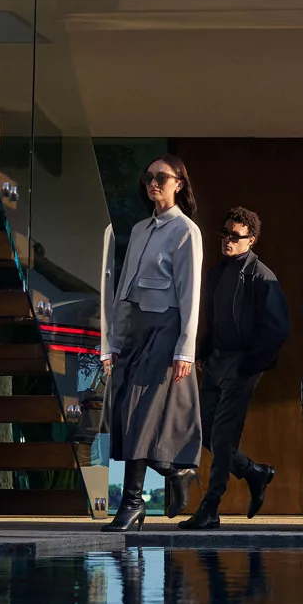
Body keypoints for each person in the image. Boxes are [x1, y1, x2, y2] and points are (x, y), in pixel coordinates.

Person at [100, 155, 205, 532]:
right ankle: (177, 470)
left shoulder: (186, 231)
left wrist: (185, 350)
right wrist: (112, 340)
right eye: (148, 177)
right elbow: (124, 290)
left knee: (140, 413)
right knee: (127, 413)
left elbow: (190, 294)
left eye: (161, 177)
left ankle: (132, 504)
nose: (153, 183)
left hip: (167, 326)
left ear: (179, 183)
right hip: (136, 330)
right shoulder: (141, 229)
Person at [177, 206, 290, 530]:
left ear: (250, 240)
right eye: (224, 233)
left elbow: (279, 330)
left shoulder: (262, 277)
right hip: (216, 362)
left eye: (235, 236)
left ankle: (211, 508)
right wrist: (205, 352)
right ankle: (255, 473)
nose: (227, 240)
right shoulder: (217, 273)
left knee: (223, 436)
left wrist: (249, 366)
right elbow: (214, 319)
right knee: (204, 432)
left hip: (242, 366)